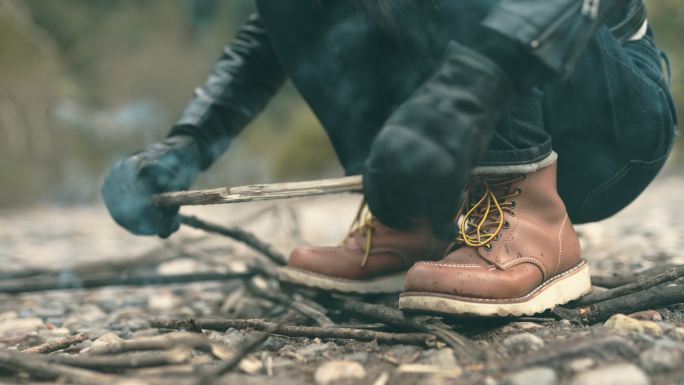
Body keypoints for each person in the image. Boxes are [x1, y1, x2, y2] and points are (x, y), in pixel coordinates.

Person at [102, 0, 677, 317]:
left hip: (610, 126)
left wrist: (462, 96)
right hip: (453, 139)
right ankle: (414, 216)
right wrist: (185, 145)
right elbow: (267, 37)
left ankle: (528, 213)